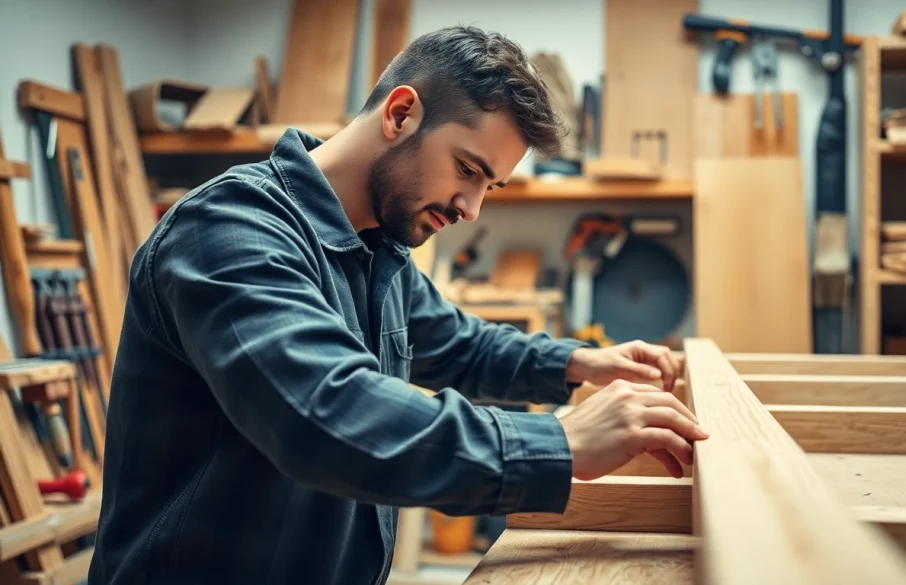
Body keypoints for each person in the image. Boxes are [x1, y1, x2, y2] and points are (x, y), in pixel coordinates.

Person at [88, 25, 707, 585]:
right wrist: (558, 443)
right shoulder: (230, 230)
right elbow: (324, 415)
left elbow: (457, 343)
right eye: (467, 169)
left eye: (489, 186)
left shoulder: (374, 246)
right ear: (402, 113)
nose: (471, 209)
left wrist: (582, 363)